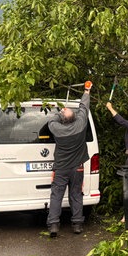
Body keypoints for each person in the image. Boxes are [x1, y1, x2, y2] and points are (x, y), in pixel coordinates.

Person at [46, 81, 92, 237]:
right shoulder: (80, 125)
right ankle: (77, 224)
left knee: (56, 195)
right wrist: (86, 91)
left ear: (62, 119)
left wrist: (59, 112)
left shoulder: (57, 128)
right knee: (76, 195)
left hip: (61, 168)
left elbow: (51, 121)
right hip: (77, 168)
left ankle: (53, 225)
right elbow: (83, 108)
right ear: (73, 118)